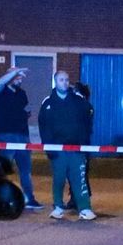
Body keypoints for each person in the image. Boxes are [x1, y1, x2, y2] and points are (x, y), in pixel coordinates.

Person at [39, 70, 96, 220]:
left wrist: (84, 141)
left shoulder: (78, 101)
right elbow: (43, 126)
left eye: (66, 80)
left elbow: (89, 115)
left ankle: (85, 208)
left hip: (76, 149)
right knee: (58, 179)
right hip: (57, 150)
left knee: (79, 179)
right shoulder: (47, 103)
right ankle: (58, 207)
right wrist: (49, 148)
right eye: (61, 80)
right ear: (55, 82)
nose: (64, 82)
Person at [0, 66, 44, 210]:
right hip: (6, 134)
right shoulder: (1, 91)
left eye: (21, 77)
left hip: (22, 135)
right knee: (4, 169)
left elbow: (23, 109)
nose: (20, 79)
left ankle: (29, 198)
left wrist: (25, 115)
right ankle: (0, 200)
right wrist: (15, 71)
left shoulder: (22, 93)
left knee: (25, 170)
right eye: (17, 77)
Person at [64, 81, 94, 210]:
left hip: (80, 145)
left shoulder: (85, 106)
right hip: (71, 144)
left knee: (81, 172)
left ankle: (83, 200)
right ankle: (74, 199)